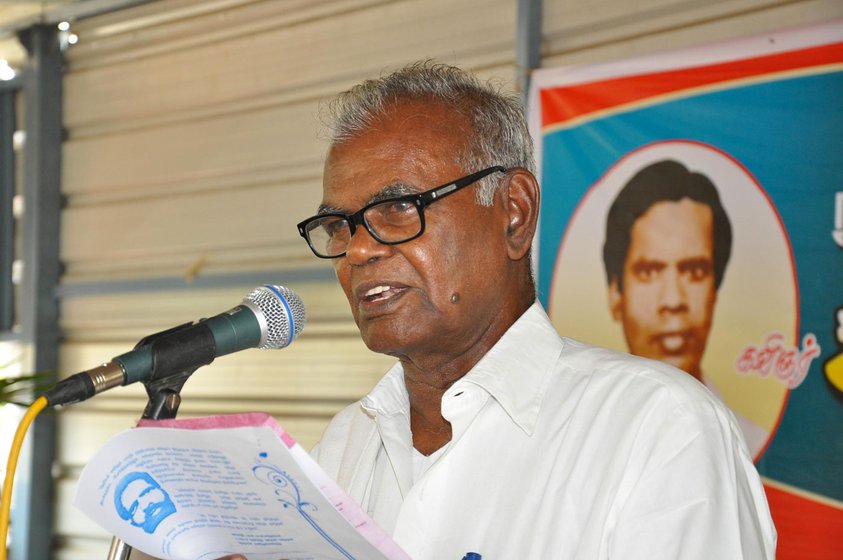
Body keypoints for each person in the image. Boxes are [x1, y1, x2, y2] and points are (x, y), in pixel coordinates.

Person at [225, 61, 776, 559]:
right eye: (339, 226)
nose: (359, 249)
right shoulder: (345, 445)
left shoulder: (657, 428)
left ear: (513, 213)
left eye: (398, 208)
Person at [602, 160, 769, 457]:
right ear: (616, 292)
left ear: (714, 291)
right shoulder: (583, 441)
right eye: (650, 272)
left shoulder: (747, 446)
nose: (673, 300)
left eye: (694, 271)